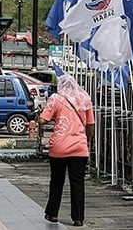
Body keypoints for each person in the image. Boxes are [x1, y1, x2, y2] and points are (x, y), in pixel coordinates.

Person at [38, 74, 95, 227]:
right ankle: (78, 218)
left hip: (59, 147)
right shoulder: (85, 99)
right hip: (79, 147)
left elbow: (43, 120)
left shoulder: (56, 99)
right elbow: (90, 125)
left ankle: (52, 213)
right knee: (78, 182)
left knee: (57, 181)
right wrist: (87, 141)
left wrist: (43, 118)